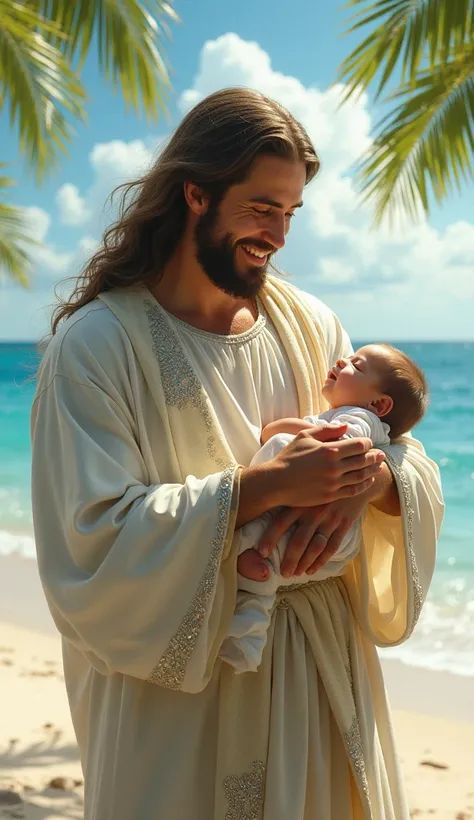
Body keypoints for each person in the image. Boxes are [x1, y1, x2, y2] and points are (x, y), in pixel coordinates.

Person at [31, 88, 444, 820]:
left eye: (291, 213)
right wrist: (255, 490)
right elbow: (86, 540)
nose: (279, 233)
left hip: (320, 678)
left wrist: (370, 479)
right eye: (262, 207)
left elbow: (397, 447)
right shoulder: (98, 345)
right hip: (179, 701)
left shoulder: (309, 322)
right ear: (195, 193)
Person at [219, 343, 429, 673]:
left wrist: (284, 429)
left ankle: (249, 628)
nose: (343, 360)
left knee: (276, 457)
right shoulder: (341, 415)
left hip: (327, 528)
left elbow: (343, 442)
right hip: (324, 530)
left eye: (357, 367)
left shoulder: (362, 418)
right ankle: (248, 635)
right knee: (258, 571)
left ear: (379, 404)